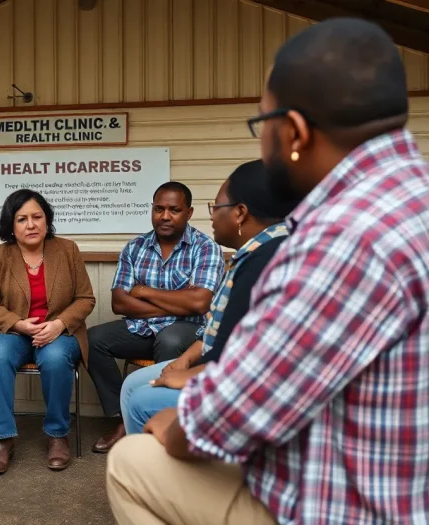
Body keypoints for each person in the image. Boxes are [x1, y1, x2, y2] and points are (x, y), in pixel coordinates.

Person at [107, 18, 429, 525]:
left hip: (350, 503)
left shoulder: (340, 237)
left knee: (132, 461)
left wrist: (173, 425)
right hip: (392, 473)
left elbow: (234, 411)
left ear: (295, 132)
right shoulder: (408, 199)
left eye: (263, 126)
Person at [120, 160, 298, 434]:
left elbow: (249, 354)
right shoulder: (250, 255)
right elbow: (217, 330)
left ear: (240, 213)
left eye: (215, 208)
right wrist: (185, 360)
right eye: (159, 208)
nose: (212, 217)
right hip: (210, 360)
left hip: (241, 385)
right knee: (131, 383)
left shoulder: (266, 261)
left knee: (142, 398)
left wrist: (189, 374)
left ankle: (160, 464)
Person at [88, 181, 224, 453]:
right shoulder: (135, 247)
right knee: (92, 339)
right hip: (142, 329)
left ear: (188, 212)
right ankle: (123, 417)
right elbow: (119, 302)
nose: (165, 216)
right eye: (159, 208)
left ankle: (164, 419)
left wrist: (144, 292)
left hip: (188, 331)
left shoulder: (205, 248)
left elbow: (199, 303)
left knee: (170, 339)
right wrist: (179, 301)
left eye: (174, 210)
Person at [0, 190, 95, 474]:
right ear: (11, 225)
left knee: (55, 360)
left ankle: (57, 435)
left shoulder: (67, 250)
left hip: (58, 333)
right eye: (22, 219)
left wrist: (58, 324)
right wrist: (19, 324)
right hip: (13, 333)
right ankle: (2, 439)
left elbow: (85, 299)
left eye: (36, 217)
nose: (30, 225)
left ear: (47, 220)